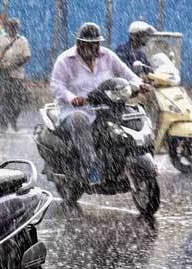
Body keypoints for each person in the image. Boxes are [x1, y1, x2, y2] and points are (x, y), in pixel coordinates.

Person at [50, 22, 146, 185]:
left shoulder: (108, 56)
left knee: (133, 115)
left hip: (107, 107)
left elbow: (127, 74)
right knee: (78, 120)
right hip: (75, 111)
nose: (95, 48)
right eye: (90, 44)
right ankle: (91, 165)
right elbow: (56, 85)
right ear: (80, 44)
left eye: (97, 44)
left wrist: (139, 84)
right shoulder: (65, 60)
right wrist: (72, 98)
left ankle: (132, 157)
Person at [0, 18, 31, 132]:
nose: (12, 29)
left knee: (17, 101)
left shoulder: (22, 41)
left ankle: (13, 120)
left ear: (17, 28)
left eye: (14, 27)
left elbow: (27, 56)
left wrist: (13, 65)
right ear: (6, 27)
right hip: (3, 75)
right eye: (10, 26)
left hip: (17, 76)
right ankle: (3, 125)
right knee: (3, 100)